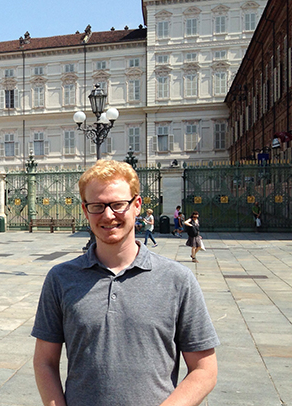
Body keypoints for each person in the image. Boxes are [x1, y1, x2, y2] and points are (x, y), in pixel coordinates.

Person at [32, 160, 219, 406]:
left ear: (137, 205)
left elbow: (205, 368)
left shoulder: (177, 279)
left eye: (118, 204)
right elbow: (44, 361)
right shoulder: (61, 278)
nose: (108, 215)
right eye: (97, 206)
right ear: (85, 210)